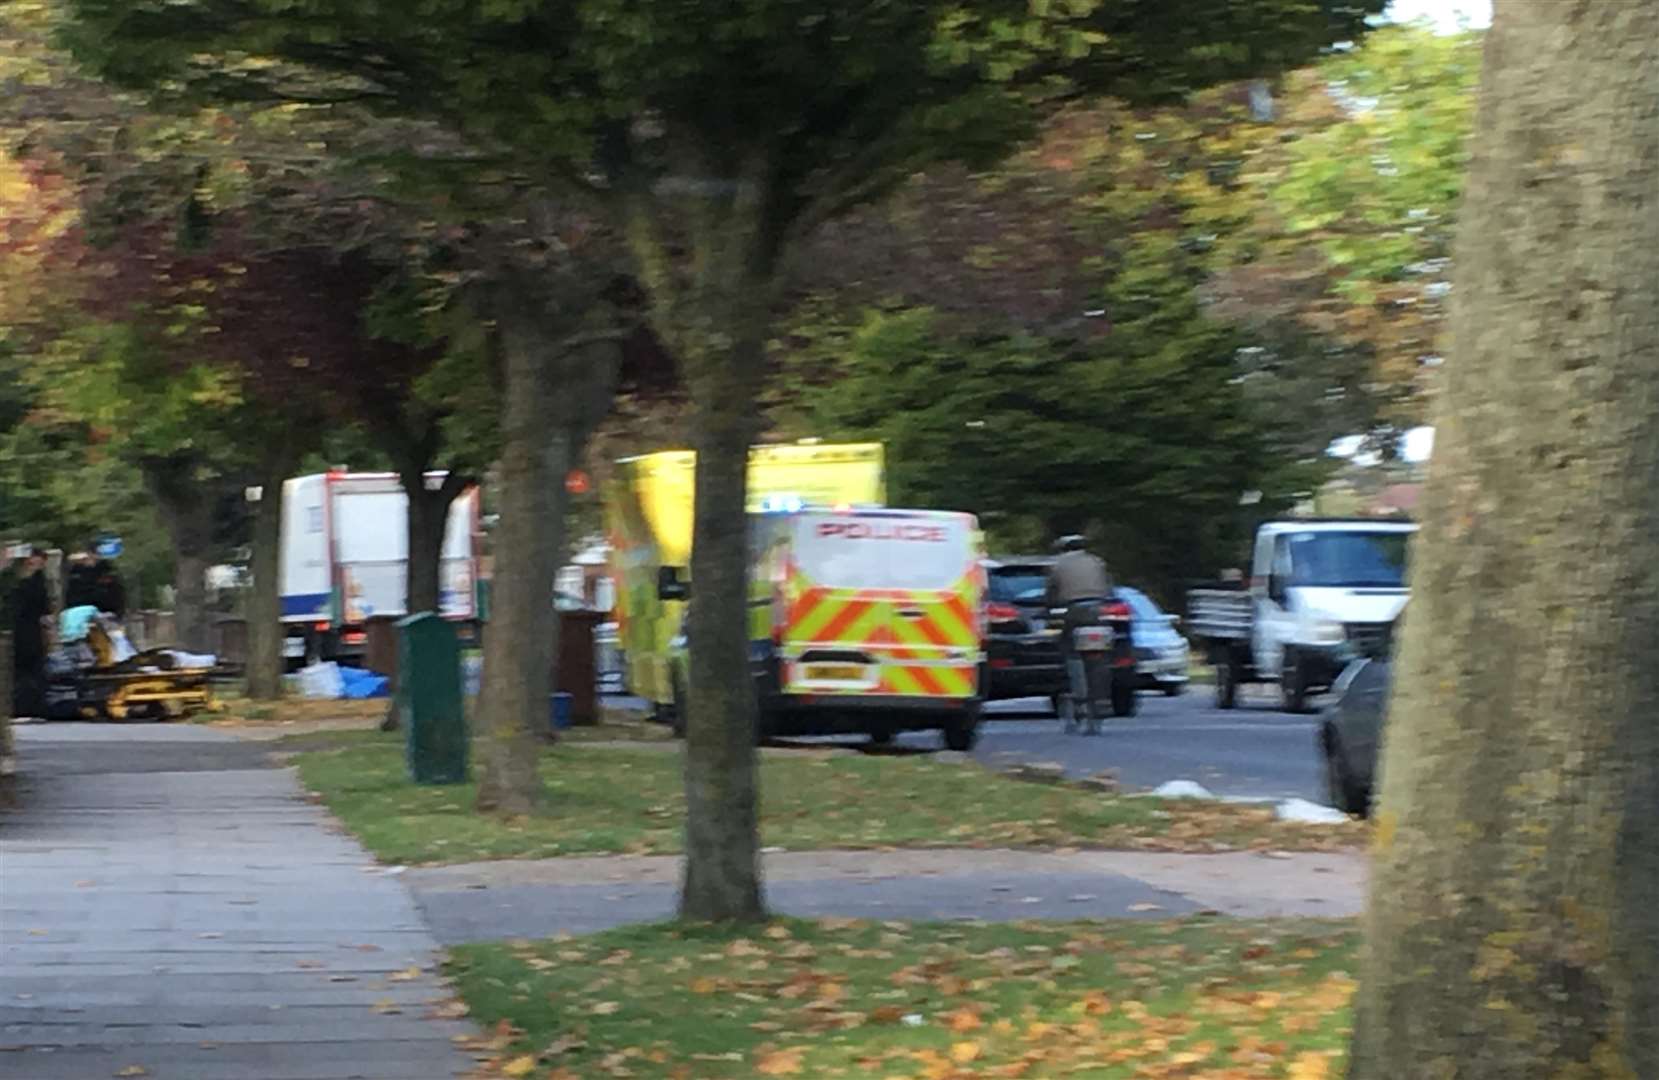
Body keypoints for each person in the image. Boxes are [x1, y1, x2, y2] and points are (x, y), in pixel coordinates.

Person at [1044, 535, 1113, 723]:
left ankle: (1080, 698)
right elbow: (1108, 588)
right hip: (1098, 612)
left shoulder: (1057, 565)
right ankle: (1102, 699)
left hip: (1073, 613)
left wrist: (1047, 609)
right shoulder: (1098, 562)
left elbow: (1051, 593)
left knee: (1071, 653)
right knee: (1101, 656)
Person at [10, 551, 50, 720]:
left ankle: (27, 706)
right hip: (26, 630)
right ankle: (28, 705)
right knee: (28, 669)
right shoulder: (34, 582)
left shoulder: (34, 583)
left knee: (29, 669)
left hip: (28, 630)